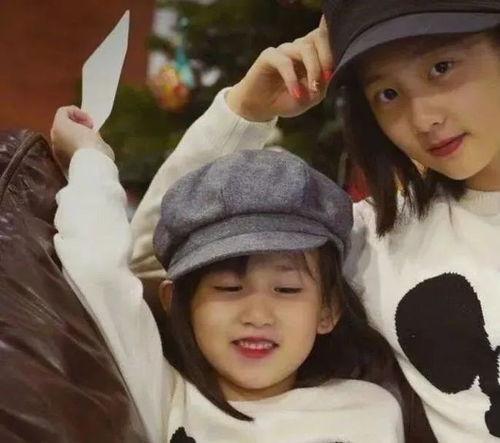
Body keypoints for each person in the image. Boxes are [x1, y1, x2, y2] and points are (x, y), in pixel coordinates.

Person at [128, 1, 500, 441]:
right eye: (387, 94)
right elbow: (158, 261)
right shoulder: (373, 239)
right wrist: (245, 110)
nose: (424, 119)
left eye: (441, 68)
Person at [50, 108, 403, 443]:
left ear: (327, 309)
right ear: (176, 302)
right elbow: (99, 274)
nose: (257, 315)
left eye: (286, 289)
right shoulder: (164, 396)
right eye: (229, 287)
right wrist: (90, 155)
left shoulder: (371, 409)